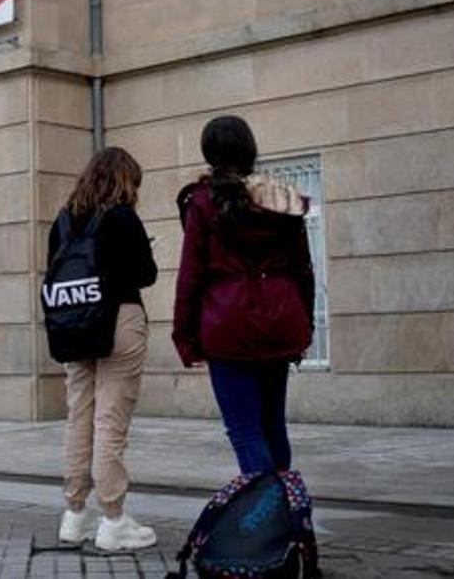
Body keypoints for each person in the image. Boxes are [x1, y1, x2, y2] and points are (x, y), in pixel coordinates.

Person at [172, 116, 315, 476]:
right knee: (273, 426)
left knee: (246, 430)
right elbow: (303, 270)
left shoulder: (203, 202)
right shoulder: (283, 200)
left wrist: (185, 337)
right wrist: (305, 324)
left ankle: (267, 519)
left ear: (209, 152)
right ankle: (285, 514)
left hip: (228, 325)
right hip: (282, 320)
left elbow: (191, 275)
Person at [50, 147, 159, 552]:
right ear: (125, 181)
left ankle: (74, 515)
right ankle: (113, 520)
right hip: (119, 321)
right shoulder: (122, 216)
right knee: (110, 420)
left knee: (79, 416)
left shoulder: (63, 221)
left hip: (76, 325)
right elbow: (145, 275)